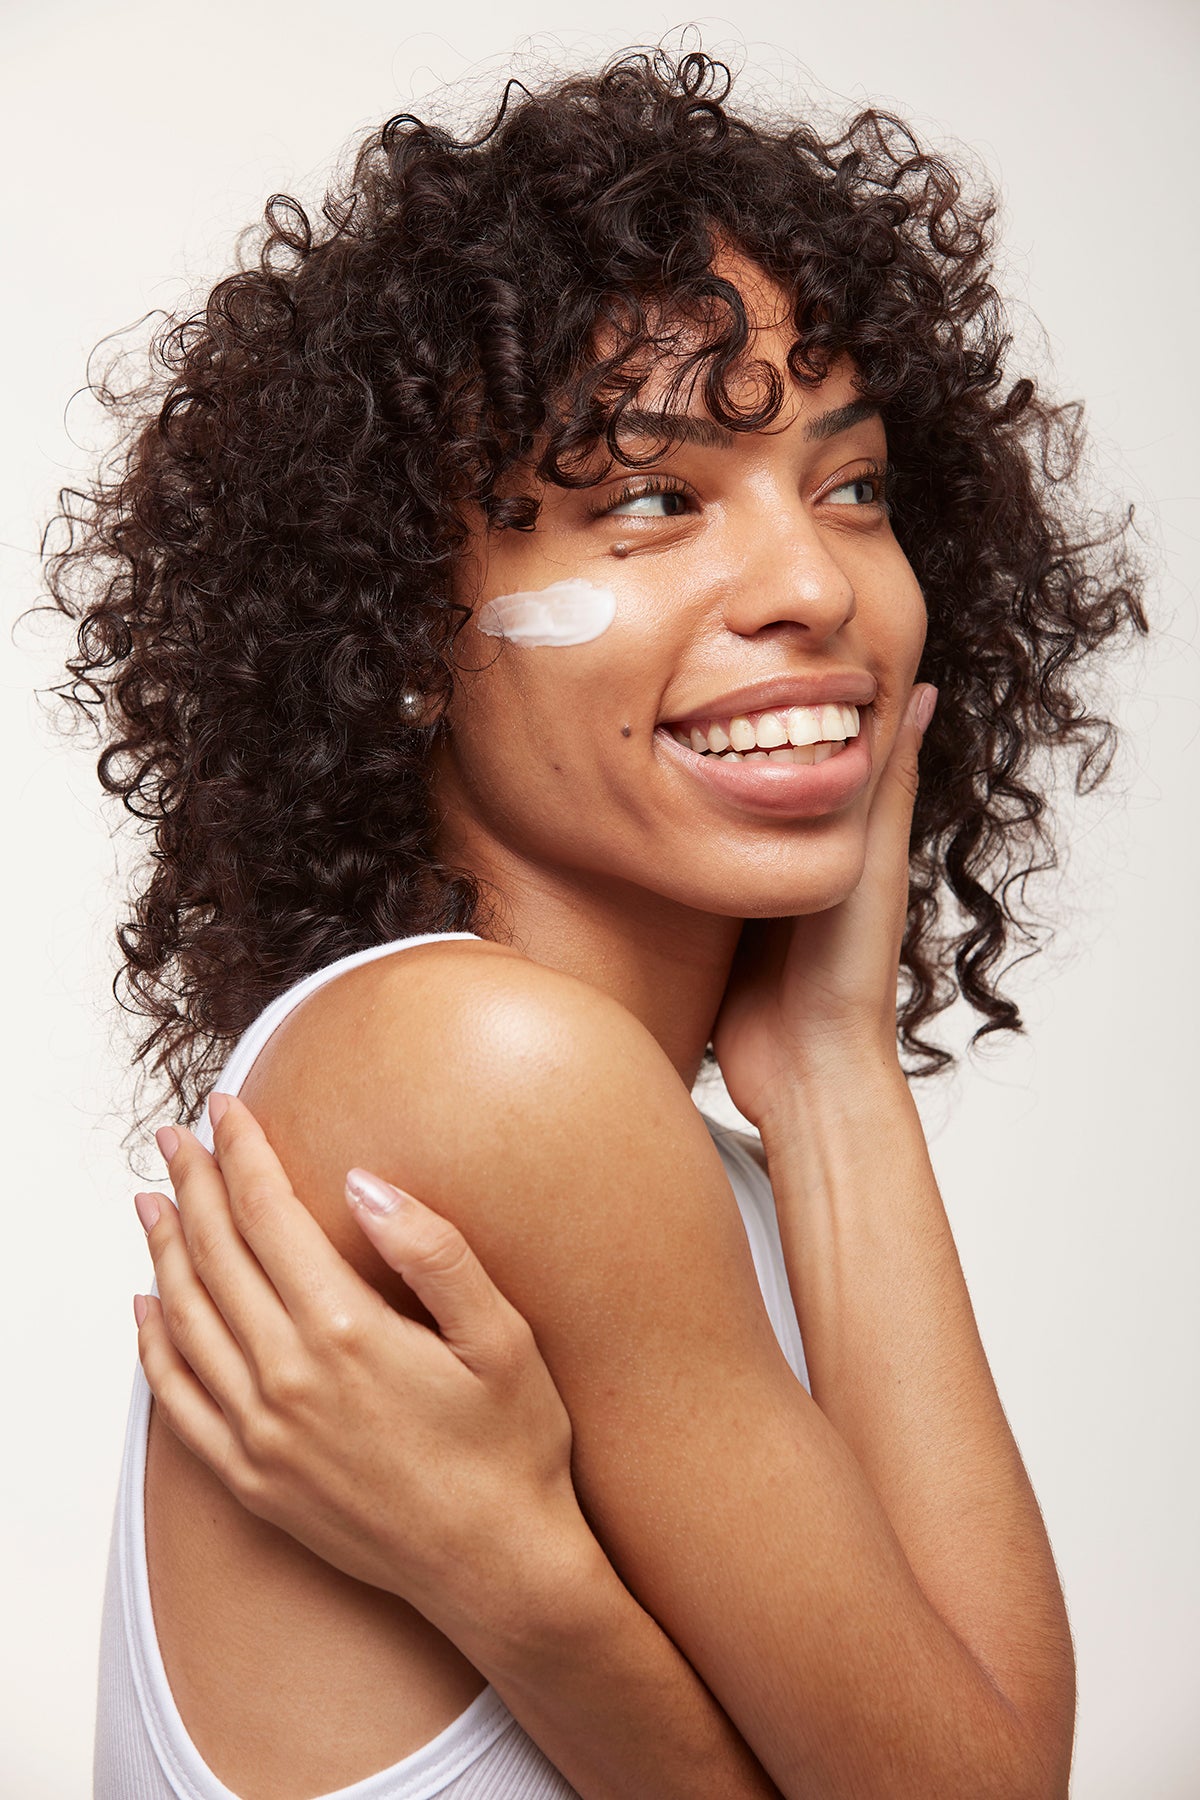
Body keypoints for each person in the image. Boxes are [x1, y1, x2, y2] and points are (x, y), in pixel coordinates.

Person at [46, 43, 1147, 1800]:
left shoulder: (683, 1157)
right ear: (404, 628)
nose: (812, 587)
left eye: (850, 486)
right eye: (652, 498)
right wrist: (536, 1599)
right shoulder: (492, 1066)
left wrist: (834, 1073)